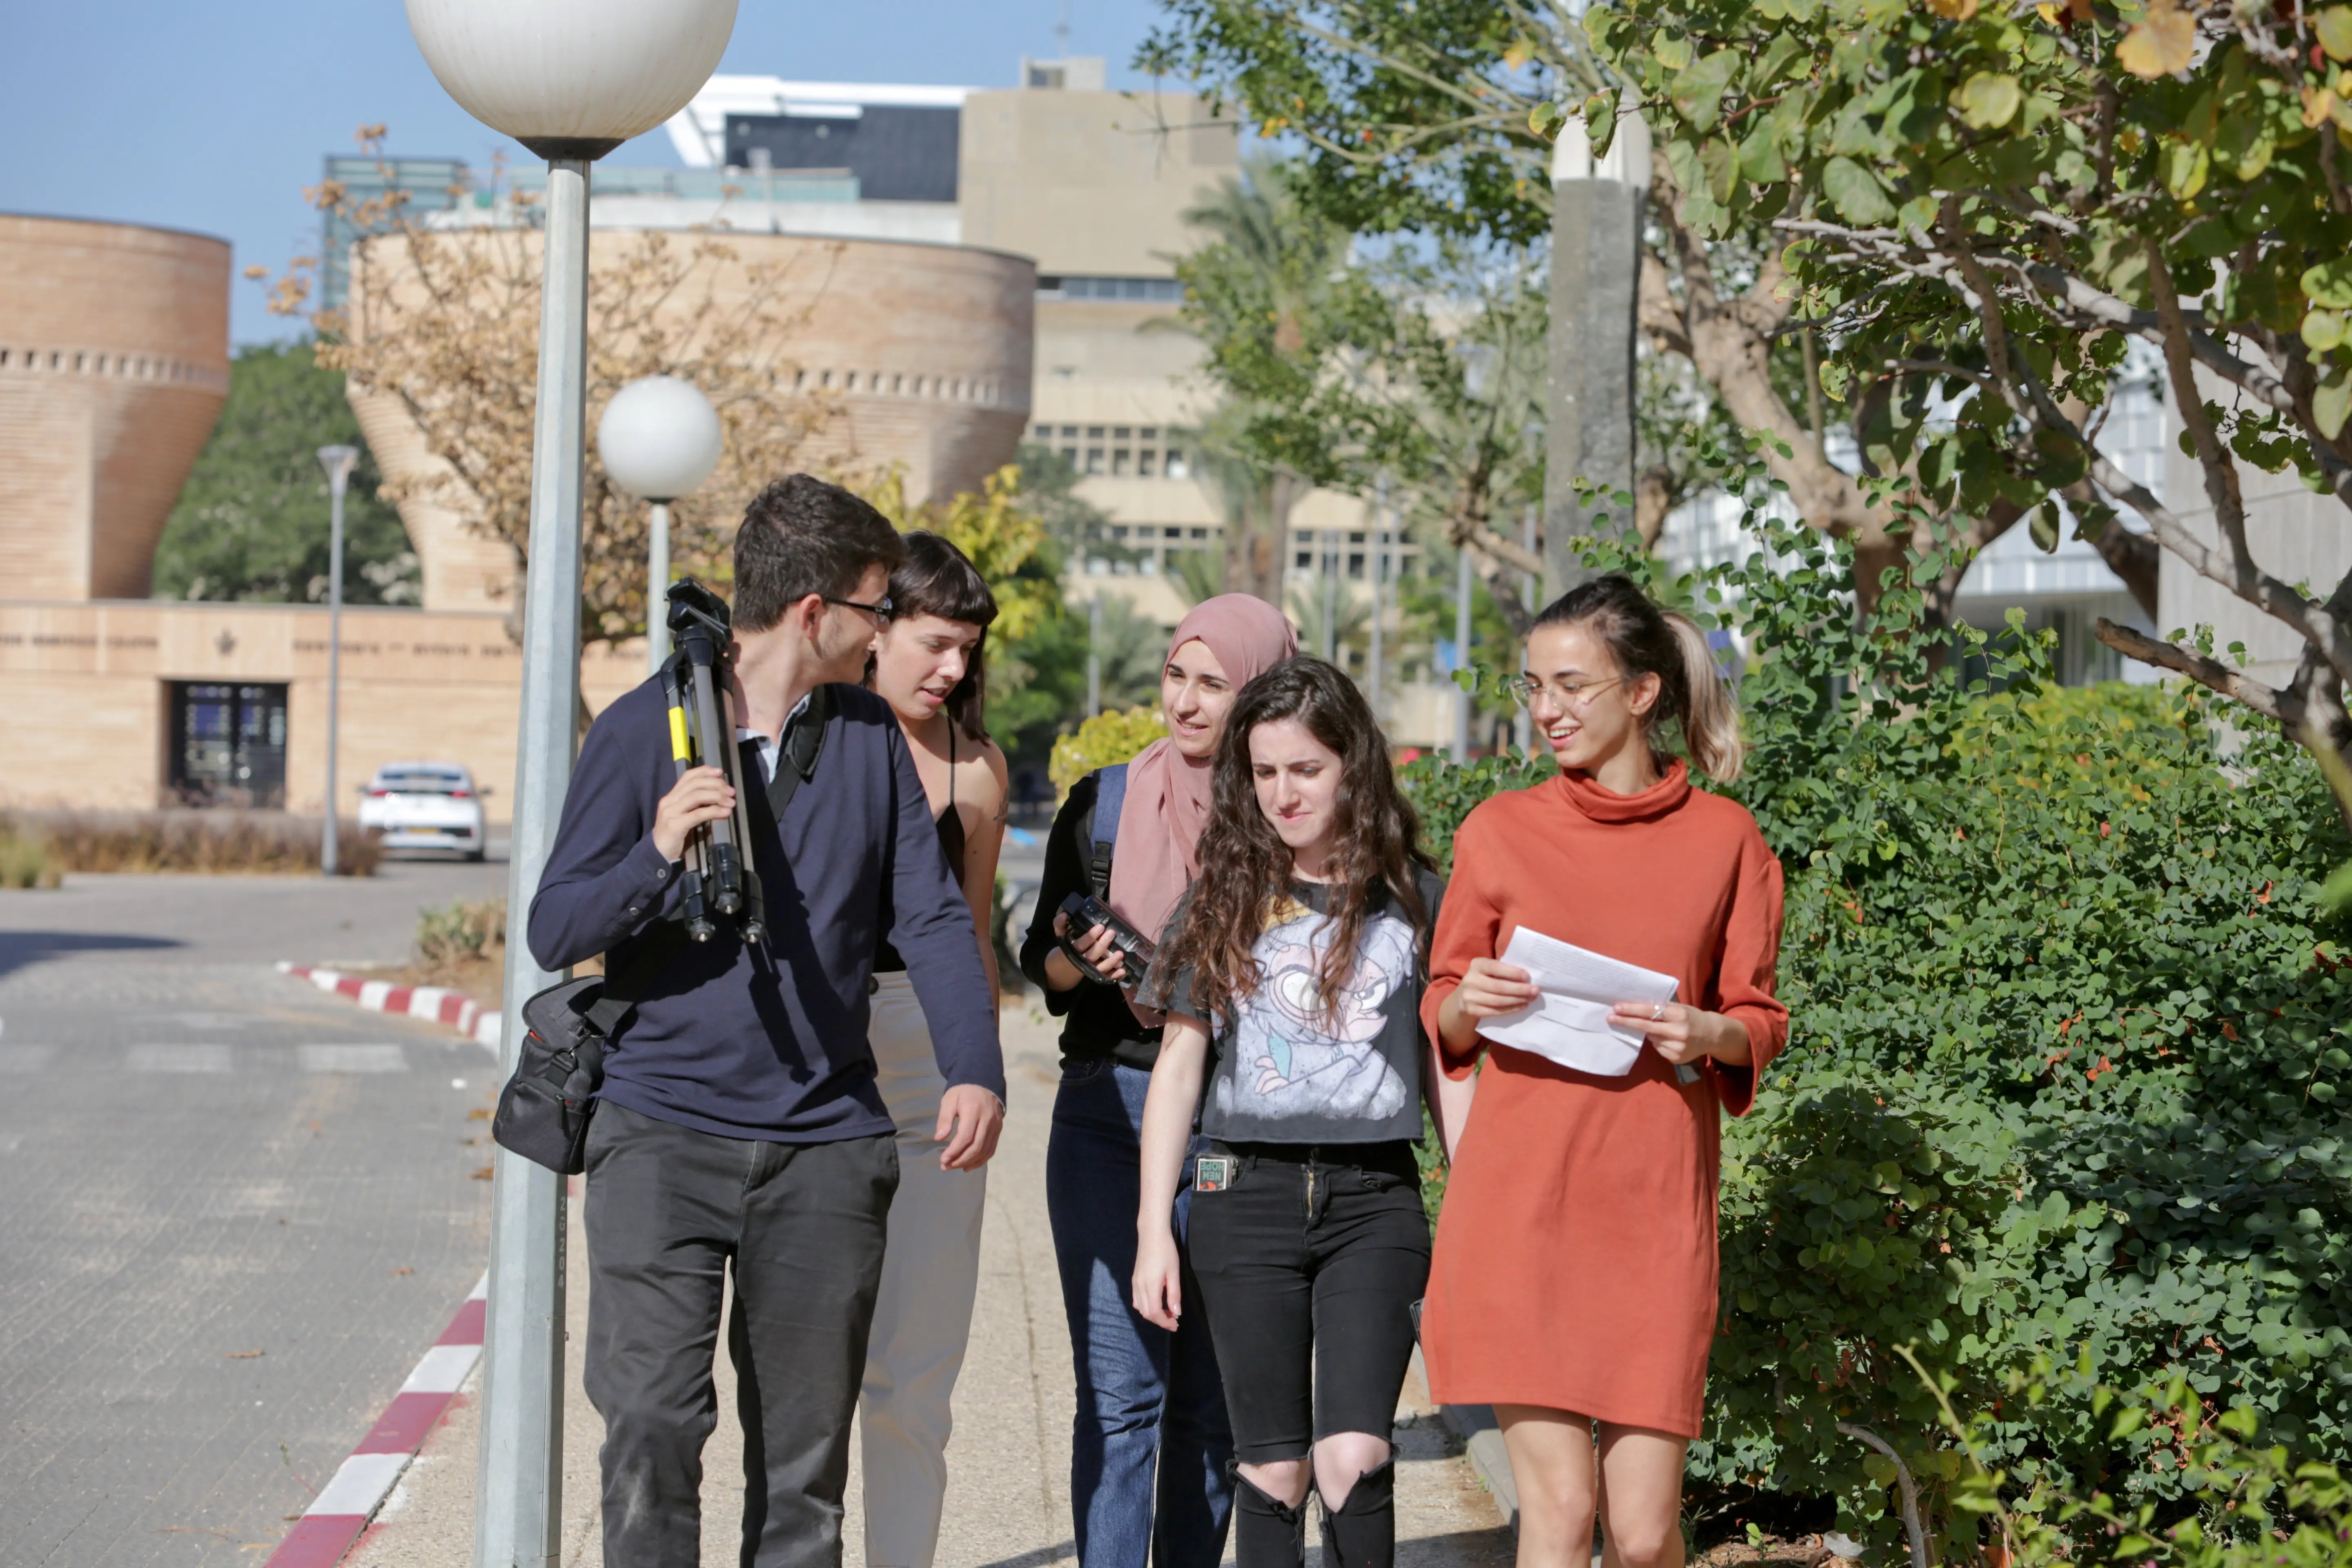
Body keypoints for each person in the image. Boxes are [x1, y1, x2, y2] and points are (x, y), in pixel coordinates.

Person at [528, 475, 1006, 1568]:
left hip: (827, 1148)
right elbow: (556, 926)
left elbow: (930, 916)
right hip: (659, 1137)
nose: (887, 631)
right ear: (816, 613)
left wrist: (975, 1066)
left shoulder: (868, 739)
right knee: (652, 1428)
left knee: (803, 1471)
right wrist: (655, 852)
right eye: (879, 608)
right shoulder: (647, 729)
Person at [1418, 574, 1787, 1568]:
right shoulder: (1498, 831)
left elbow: (1759, 1017)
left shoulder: (1728, 842)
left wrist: (1707, 1034)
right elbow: (1443, 1005)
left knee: (1644, 1528)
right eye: (1533, 685)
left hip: (1654, 1213)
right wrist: (1470, 1003)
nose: (1546, 710)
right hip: (1519, 1206)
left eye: (1572, 685)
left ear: (1642, 694)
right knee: (1560, 1509)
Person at [1131, 657, 1452, 1568]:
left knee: (1355, 1457)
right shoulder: (1224, 898)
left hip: (1374, 1202)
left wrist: (1466, 1210)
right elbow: (1179, 1070)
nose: (1283, 793)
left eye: (1305, 769)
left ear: (1353, 763)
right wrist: (1156, 1227)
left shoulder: (1420, 900)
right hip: (1243, 1198)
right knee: (1272, 1469)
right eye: (1265, 773)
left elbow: (1444, 1066)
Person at [1016, 594, 1297, 1568]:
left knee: (1211, 1405)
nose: (1185, 702)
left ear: (1261, 690)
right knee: (1121, 1392)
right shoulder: (1103, 801)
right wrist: (1081, 959)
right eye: (1176, 674)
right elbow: (1037, 961)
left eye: (1214, 684)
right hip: (1107, 1111)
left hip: (1234, 1127)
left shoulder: (1286, 812)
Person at [858, 531, 1012, 1568]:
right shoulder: (803, 739)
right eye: (934, 643)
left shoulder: (976, 770)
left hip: (927, 1060)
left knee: (916, 1368)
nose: (953, 670)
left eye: (968, 650)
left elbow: (972, 932)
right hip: (806, 1057)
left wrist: (979, 1073)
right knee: (801, 1361)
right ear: (875, 630)